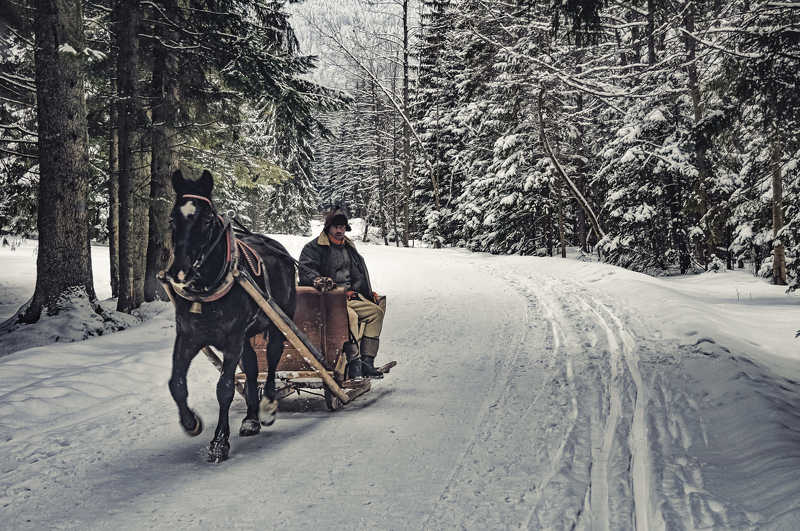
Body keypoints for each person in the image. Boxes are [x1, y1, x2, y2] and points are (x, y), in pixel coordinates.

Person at [299, 209, 386, 379]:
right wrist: (317, 280)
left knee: (376, 312)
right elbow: (305, 271)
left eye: (342, 227)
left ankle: (367, 362)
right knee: (351, 317)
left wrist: (365, 292)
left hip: (349, 297)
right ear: (328, 228)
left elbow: (357, 275)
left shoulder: (348, 247)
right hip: (326, 301)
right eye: (336, 227)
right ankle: (354, 364)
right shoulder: (313, 248)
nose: (339, 231)